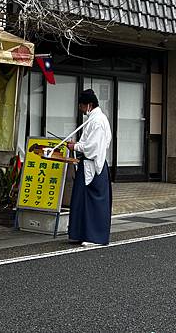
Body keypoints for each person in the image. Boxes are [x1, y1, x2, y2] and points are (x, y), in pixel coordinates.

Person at [67, 88, 113, 246]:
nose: (80, 109)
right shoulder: (95, 119)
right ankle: (83, 233)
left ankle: (95, 237)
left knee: (93, 201)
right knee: (82, 200)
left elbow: (93, 147)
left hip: (94, 166)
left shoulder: (98, 121)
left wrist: (76, 147)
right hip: (88, 164)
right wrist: (78, 146)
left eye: (81, 105)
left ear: (89, 105)